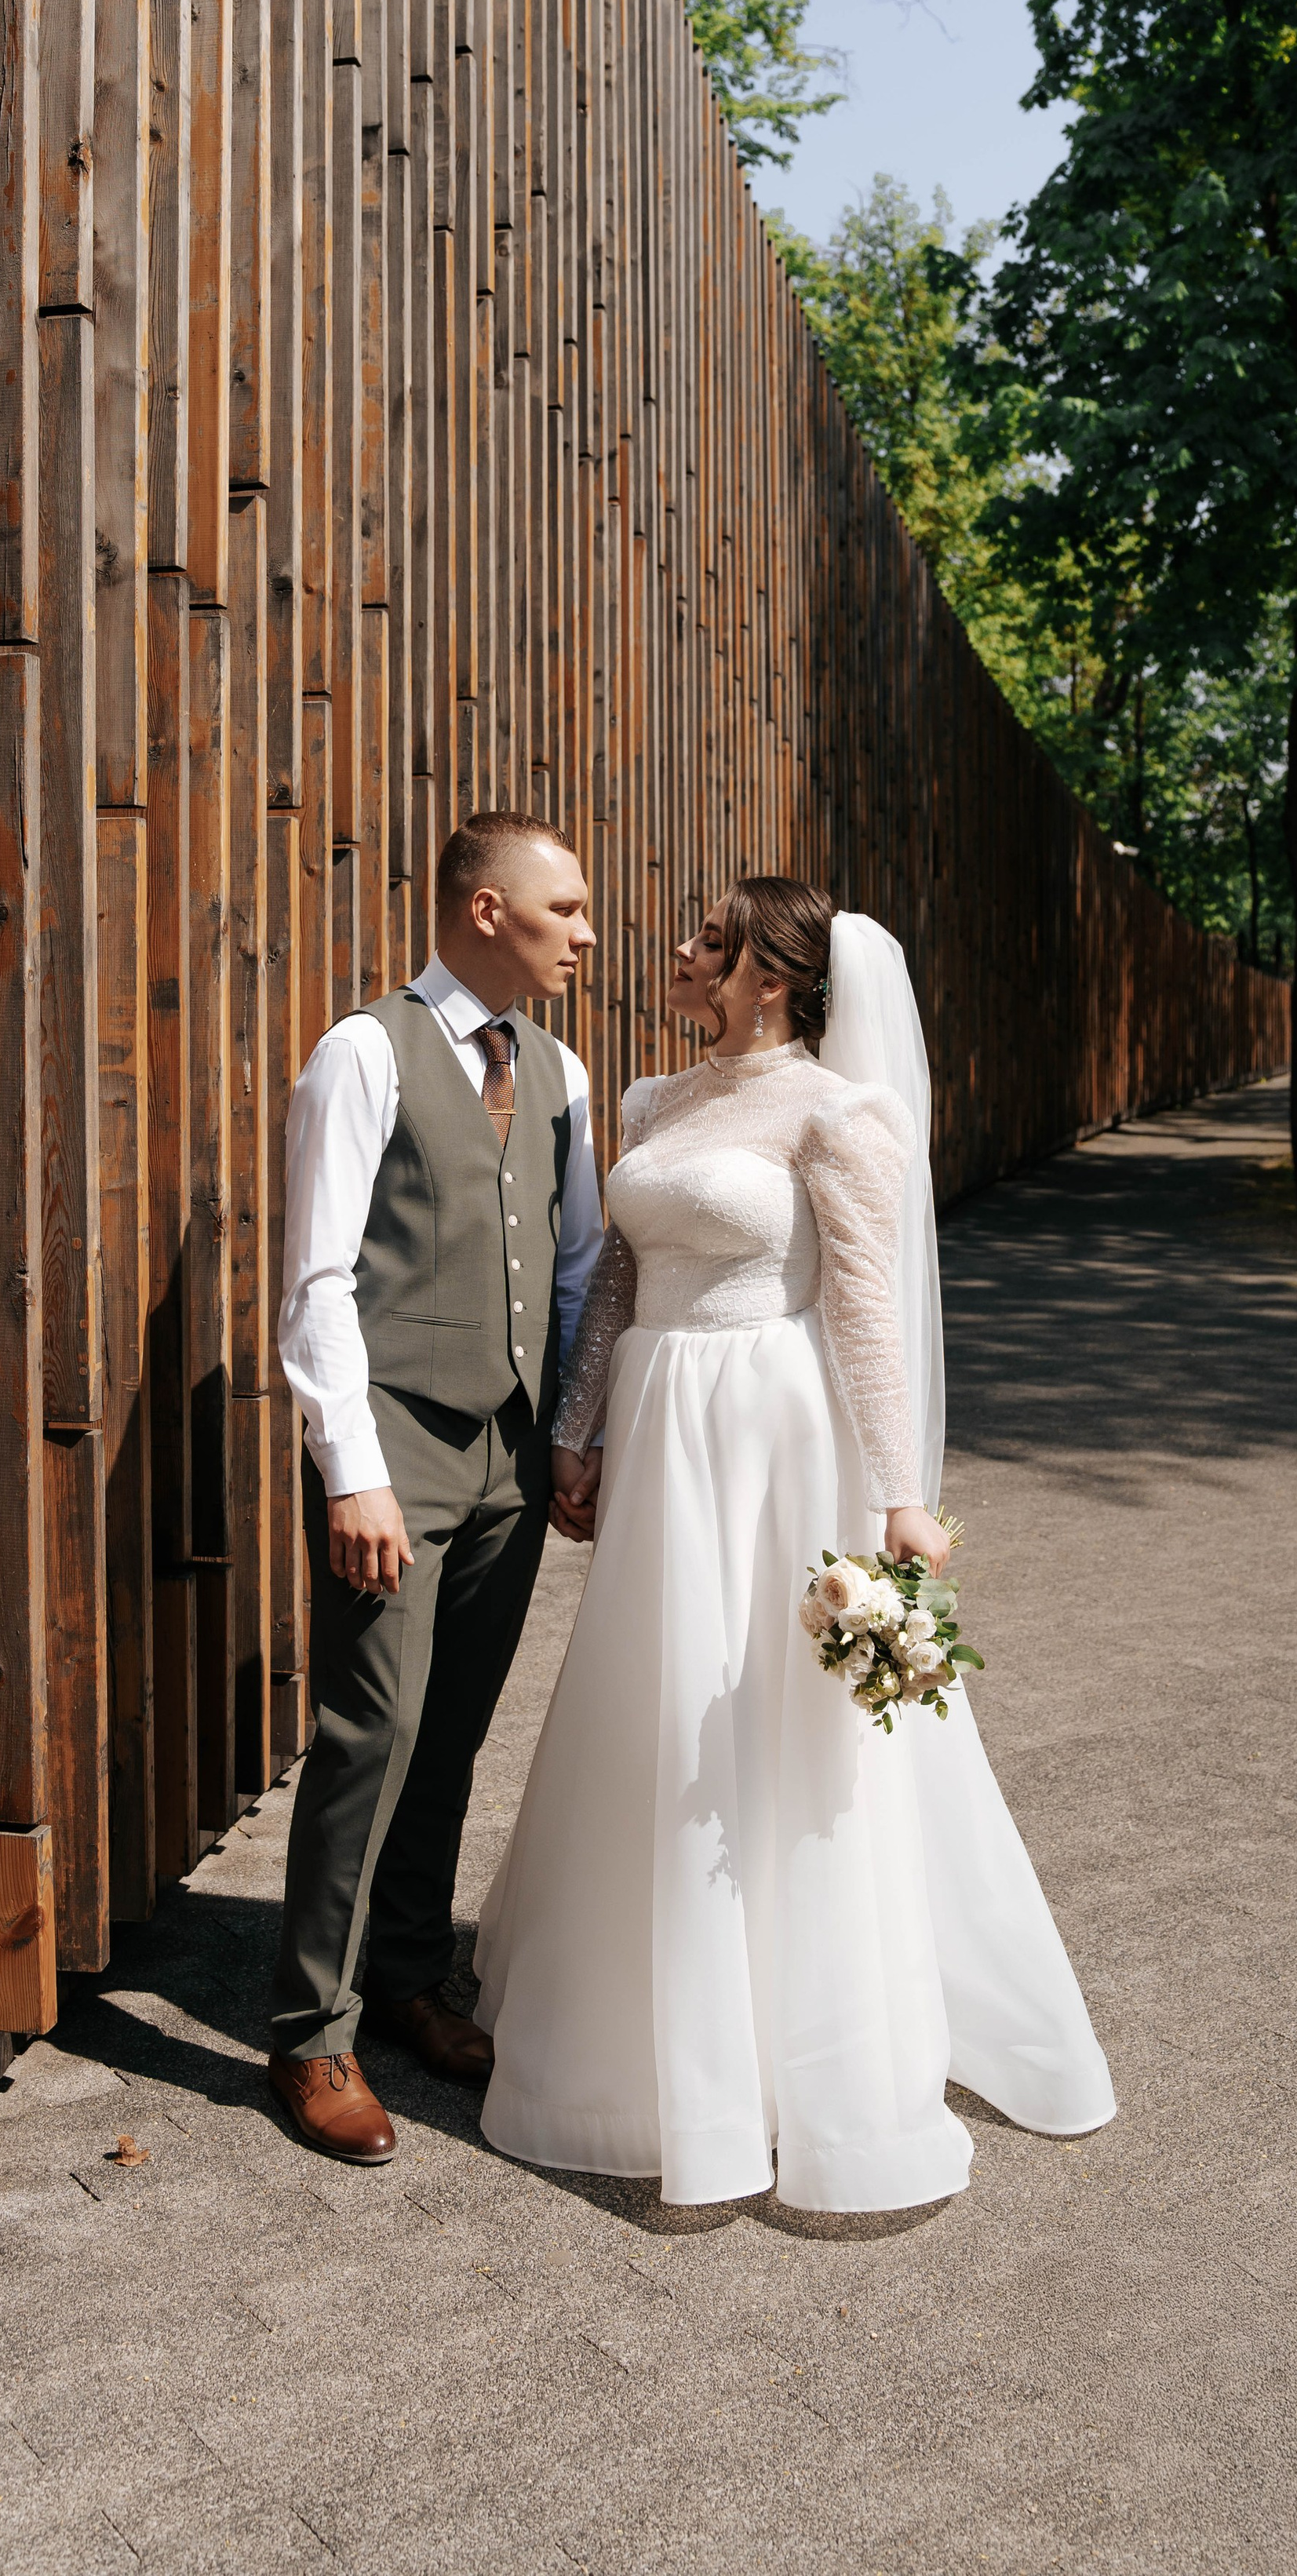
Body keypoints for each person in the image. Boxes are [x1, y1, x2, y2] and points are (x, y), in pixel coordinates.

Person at [476, 878, 1115, 2210]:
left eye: (711, 940)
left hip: (772, 1434)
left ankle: (794, 2030)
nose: (681, 949)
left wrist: (900, 1494)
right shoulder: (650, 1102)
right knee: (657, 1702)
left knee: (770, 1713)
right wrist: (579, 1432)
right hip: (661, 1425)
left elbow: (867, 1308)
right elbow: (620, 1282)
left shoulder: (837, 1113)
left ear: (772, 978)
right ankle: (636, 2020)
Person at [267, 812, 603, 2161]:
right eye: (565, 909)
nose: (585, 934)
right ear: (485, 911)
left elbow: (574, 1271)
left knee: (452, 1730)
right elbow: (316, 1280)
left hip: (510, 1454)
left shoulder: (562, 1072)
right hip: (395, 1449)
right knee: (372, 1732)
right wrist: (350, 1471)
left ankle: (407, 1976)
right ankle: (312, 2032)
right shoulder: (364, 1052)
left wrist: (569, 1435)